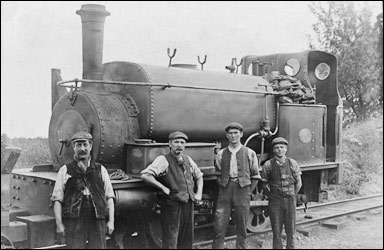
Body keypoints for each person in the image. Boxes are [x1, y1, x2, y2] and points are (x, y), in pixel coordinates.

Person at [51, 131, 115, 249]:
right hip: (75, 219)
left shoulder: (100, 170)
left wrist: (111, 221)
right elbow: (57, 200)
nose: (82, 149)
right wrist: (59, 224)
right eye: (78, 145)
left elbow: (109, 197)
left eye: (85, 145)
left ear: (90, 146)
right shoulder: (65, 170)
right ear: (73, 148)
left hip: (97, 217)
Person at [140, 131, 204, 249]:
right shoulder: (163, 160)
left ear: (185, 145)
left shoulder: (188, 159)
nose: (179, 145)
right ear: (170, 144)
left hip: (188, 204)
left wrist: (198, 193)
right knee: (171, 240)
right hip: (172, 206)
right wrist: (163, 188)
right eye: (176, 142)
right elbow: (145, 175)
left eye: (182, 142)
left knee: (186, 239)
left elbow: (199, 176)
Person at [212, 122, 261, 249]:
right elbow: (217, 174)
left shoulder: (250, 153)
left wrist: (248, 192)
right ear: (227, 136)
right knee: (219, 225)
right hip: (225, 190)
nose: (233, 136)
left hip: (243, 190)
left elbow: (255, 175)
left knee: (241, 226)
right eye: (230, 133)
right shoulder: (221, 154)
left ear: (241, 135)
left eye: (236, 133)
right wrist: (224, 184)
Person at [261, 137, 302, 249]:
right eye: (277, 147)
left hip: (290, 200)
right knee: (276, 230)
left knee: (291, 229)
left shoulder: (292, 163)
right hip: (275, 202)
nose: (279, 149)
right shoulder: (268, 165)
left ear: (286, 149)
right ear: (273, 150)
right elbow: (264, 184)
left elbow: (299, 183)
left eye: (282, 147)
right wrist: (271, 196)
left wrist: (292, 195)